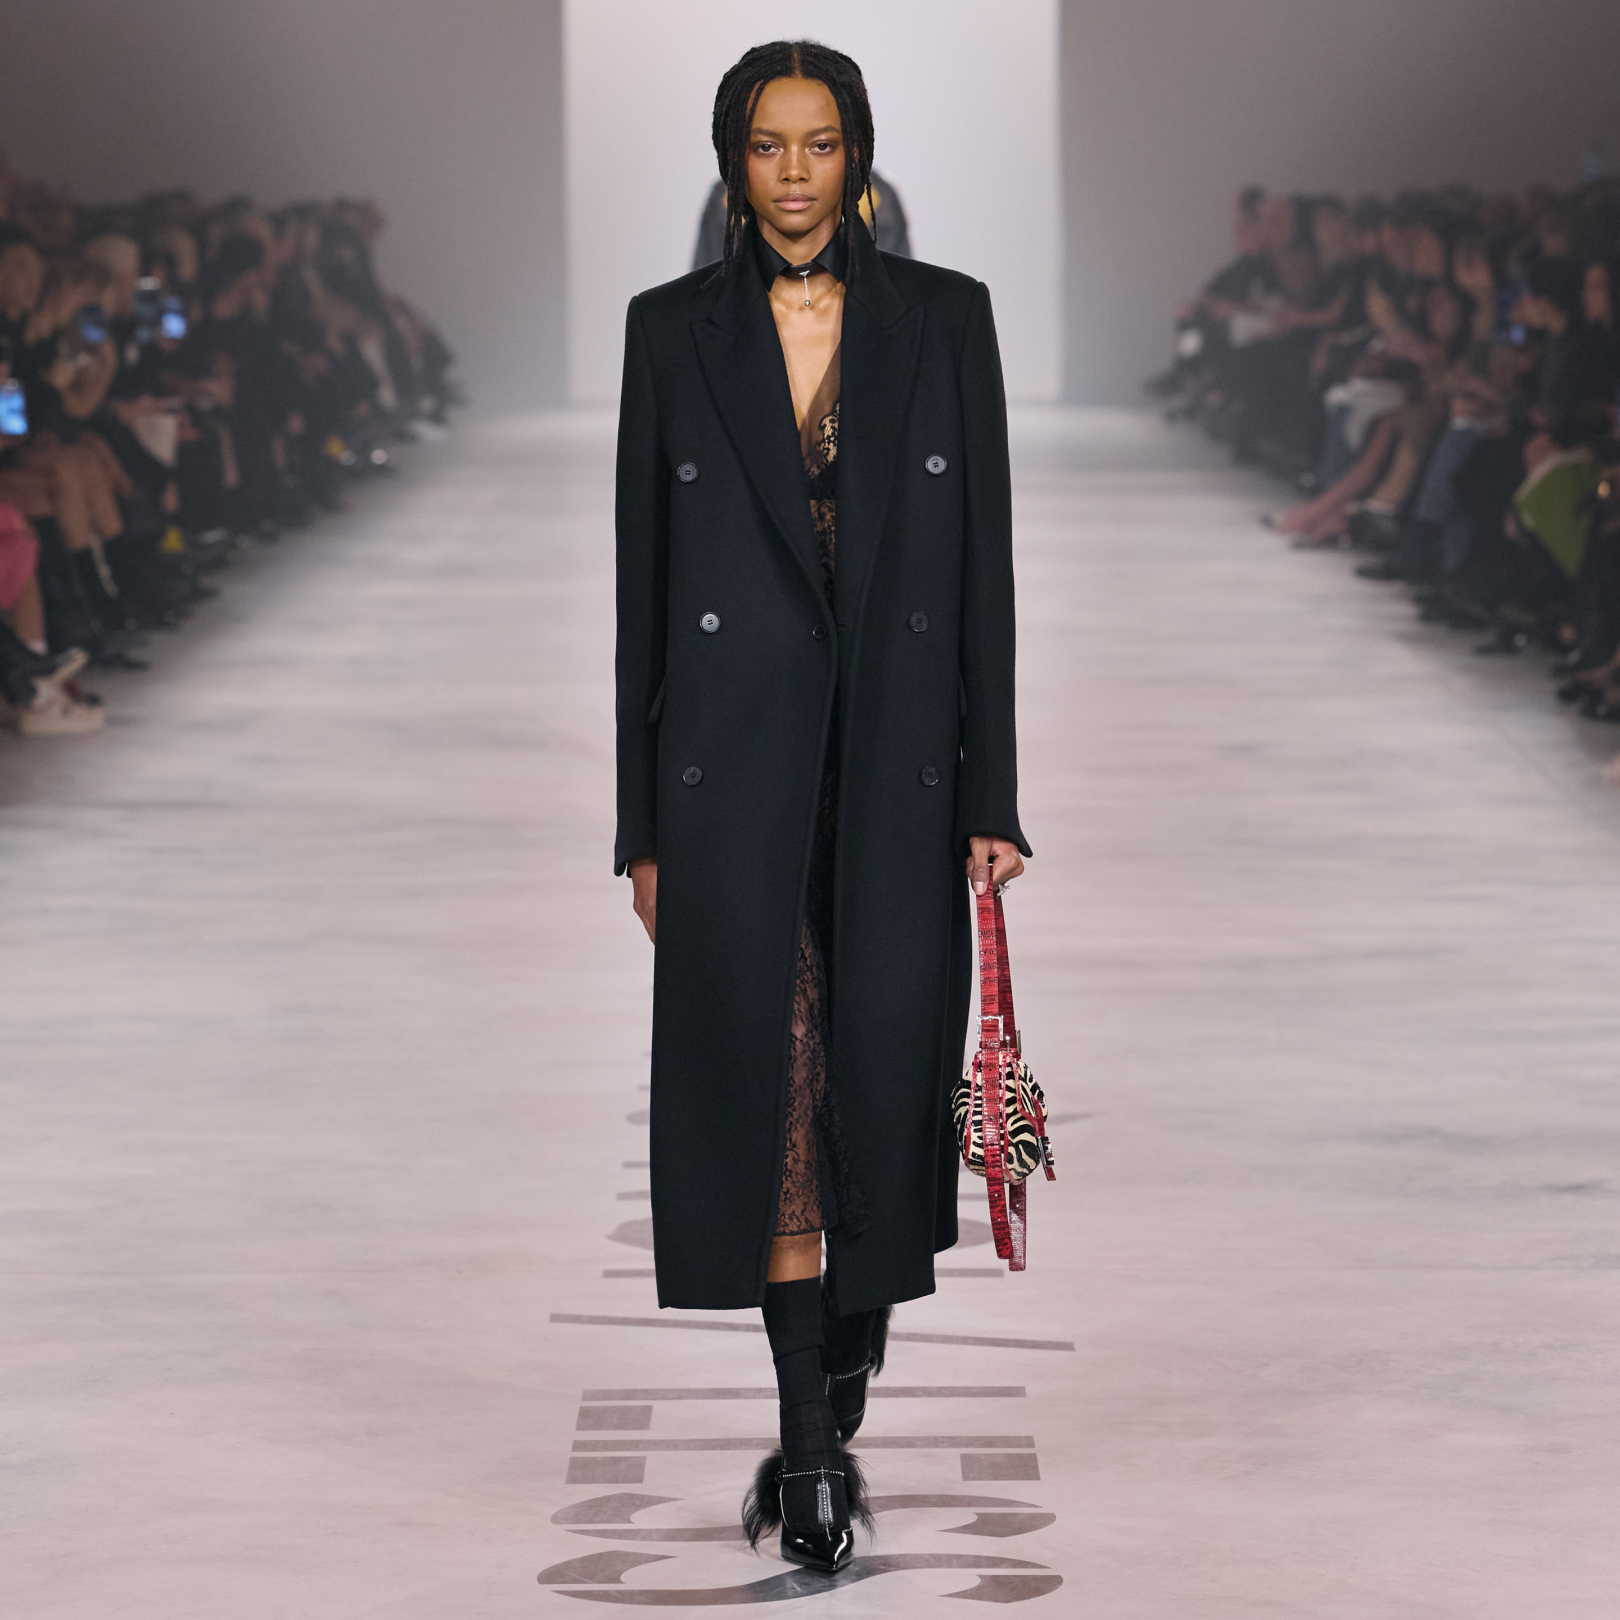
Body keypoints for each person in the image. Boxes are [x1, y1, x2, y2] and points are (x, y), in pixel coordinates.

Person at [613, 38, 1029, 1577]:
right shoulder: (672, 331)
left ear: (858, 155)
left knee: (878, 1091)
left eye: (821, 142)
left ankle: (843, 1362)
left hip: (897, 762)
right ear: (735, 160)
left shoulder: (946, 318)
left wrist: (995, 790)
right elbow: (643, 597)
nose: (795, 172)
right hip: (736, 771)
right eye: (768, 144)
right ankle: (807, 1448)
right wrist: (639, 823)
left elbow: (983, 575)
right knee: (776, 1088)